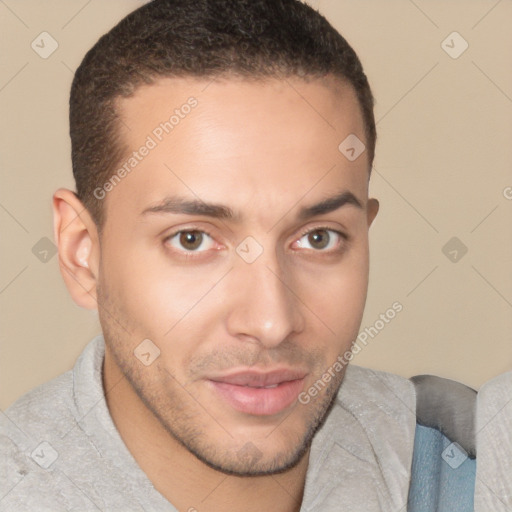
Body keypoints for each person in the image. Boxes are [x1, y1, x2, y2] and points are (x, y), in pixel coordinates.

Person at [0, 1, 474, 510]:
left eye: (318, 238)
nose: (270, 323)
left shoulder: (467, 470)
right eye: (192, 240)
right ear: (81, 254)